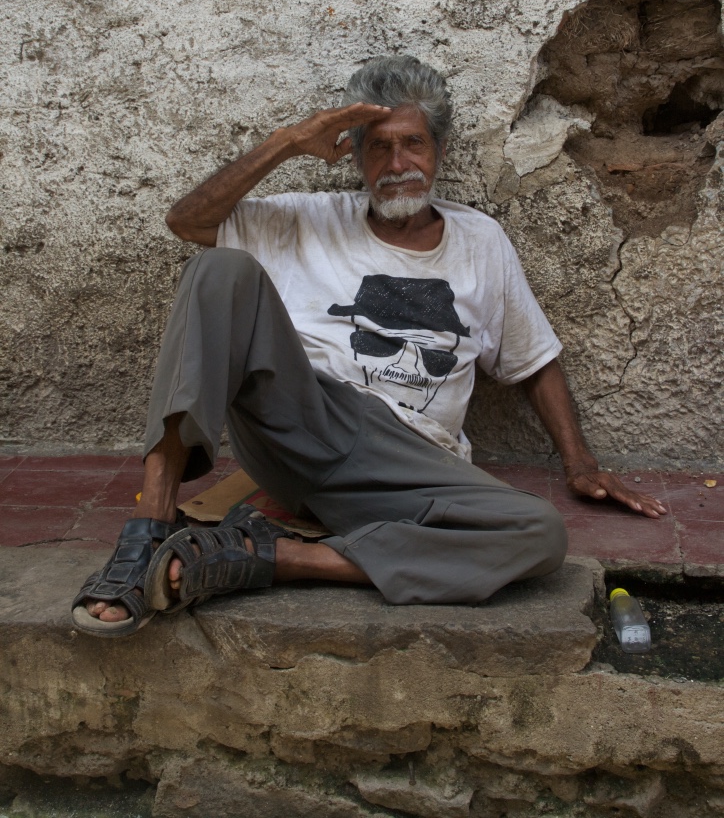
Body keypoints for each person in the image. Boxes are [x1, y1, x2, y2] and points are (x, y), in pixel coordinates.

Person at [72, 55, 666, 637]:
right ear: (353, 156)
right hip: (305, 424)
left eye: (412, 144)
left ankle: (266, 559)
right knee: (217, 270)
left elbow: (533, 361)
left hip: (410, 464)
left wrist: (580, 465)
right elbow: (187, 221)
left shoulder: (481, 241)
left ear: (438, 152)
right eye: (377, 147)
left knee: (539, 535)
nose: (397, 163)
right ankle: (146, 533)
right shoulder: (306, 219)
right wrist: (287, 141)